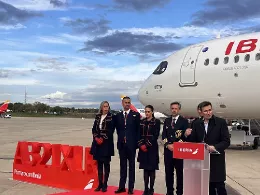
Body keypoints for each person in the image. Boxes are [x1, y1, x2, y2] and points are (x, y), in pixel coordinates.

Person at [185, 101, 230, 195]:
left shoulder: (220, 122)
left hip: (216, 160)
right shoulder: (196, 123)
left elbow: (226, 141)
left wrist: (215, 147)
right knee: (208, 188)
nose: (209, 113)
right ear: (201, 112)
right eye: (205, 111)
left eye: (210, 110)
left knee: (220, 187)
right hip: (202, 161)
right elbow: (193, 142)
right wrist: (187, 135)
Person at [114, 96, 140, 194]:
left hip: (131, 145)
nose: (127, 104)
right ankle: (121, 187)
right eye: (125, 102)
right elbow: (117, 130)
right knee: (123, 167)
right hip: (122, 145)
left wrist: (136, 144)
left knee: (131, 167)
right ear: (122, 103)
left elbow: (138, 131)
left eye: (129, 102)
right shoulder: (118, 116)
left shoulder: (135, 115)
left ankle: (130, 188)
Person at [162, 102, 188, 195]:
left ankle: (179, 192)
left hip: (179, 151)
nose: (174, 110)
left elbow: (185, 137)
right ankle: (169, 192)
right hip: (168, 151)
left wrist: (176, 145)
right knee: (168, 174)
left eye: (176, 108)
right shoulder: (167, 121)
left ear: (179, 109)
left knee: (180, 174)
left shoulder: (184, 121)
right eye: (172, 108)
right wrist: (167, 145)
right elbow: (163, 135)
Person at [90, 101, 115, 192]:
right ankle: (100, 184)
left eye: (107, 106)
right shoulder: (98, 116)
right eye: (104, 106)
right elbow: (94, 129)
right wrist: (96, 137)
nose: (106, 108)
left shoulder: (111, 117)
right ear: (101, 107)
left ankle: (105, 184)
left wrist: (102, 138)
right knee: (99, 165)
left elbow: (110, 130)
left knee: (106, 165)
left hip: (106, 144)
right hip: (97, 144)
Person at [137, 105, 160, 195]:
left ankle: (151, 188)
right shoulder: (142, 122)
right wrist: (141, 145)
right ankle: (146, 188)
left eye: (148, 112)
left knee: (152, 170)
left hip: (152, 149)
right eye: (146, 112)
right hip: (143, 149)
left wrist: (147, 145)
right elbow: (138, 134)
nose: (147, 113)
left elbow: (156, 135)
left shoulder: (156, 122)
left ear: (152, 112)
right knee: (145, 169)